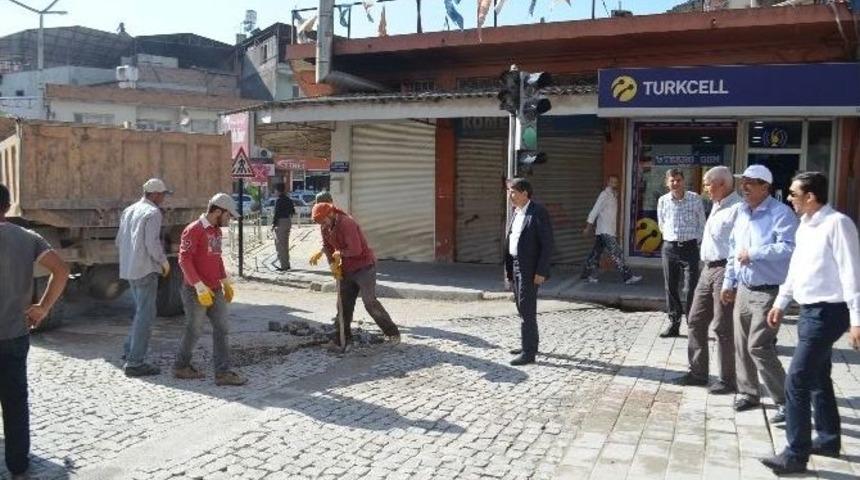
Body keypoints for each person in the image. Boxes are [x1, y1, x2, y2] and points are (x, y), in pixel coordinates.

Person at [760, 172, 860, 475]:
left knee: (797, 381)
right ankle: (828, 440)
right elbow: (796, 268)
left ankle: (795, 454)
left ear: (811, 197)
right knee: (818, 377)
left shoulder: (837, 224)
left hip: (829, 312)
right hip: (808, 311)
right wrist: (780, 302)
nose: (789, 198)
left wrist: (857, 320)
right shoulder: (805, 225)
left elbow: (851, 272)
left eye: (794, 193)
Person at [0, 183, 69, 478]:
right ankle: (18, 463)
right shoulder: (28, 238)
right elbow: (62, 271)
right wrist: (42, 307)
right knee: (15, 400)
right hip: (14, 334)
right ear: (7, 206)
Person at [721, 164, 797, 422]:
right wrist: (728, 283)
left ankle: (785, 401)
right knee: (741, 344)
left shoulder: (781, 214)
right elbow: (733, 250)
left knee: (759, 346)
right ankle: (748, 393)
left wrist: (754, 253)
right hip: (743, 287)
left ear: (766, 187)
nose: (745, 186)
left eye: (751, 182)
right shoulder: (741, 212)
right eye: (743, 181)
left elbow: (789, 247)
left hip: (769, 291)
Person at [677, 166, 740, 393]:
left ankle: (727, 380)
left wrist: (731, 280)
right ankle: (698, 372)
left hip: (725, 269)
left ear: (722, 184)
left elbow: (738, 246)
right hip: (708, 268)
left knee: (723, 327)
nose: (705, 188)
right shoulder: (716, 204)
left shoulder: (737, 209)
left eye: (707, 183)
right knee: (695, 319)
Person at [173, 193, 247, 386]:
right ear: (217, 211)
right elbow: (184, 259)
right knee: (194, 330)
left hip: (215, 289)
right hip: (195, 291)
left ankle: (223, 373)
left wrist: (226, 281)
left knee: (222, 329)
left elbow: (217, 258)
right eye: (228, 215)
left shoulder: (216, 232)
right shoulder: (194, 230)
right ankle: (181, 366)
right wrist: (198, 286)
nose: (229, 219)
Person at [311, 202, 400, 350]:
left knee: (369, 301)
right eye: (319, 222)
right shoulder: (325, 227)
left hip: (364, 267)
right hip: (345, 269)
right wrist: (332, 265)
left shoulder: (347, 223)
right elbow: (327, 247)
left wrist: (340, 253)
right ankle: (342, 339)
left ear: (331, 214)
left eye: (323, 220)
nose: (322, 225)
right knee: (343, 305)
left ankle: (392, 333)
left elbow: (356, 250)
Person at [116, 178, 172, 377]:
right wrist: (163, 261)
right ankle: (135, 362)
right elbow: (152, 243)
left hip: (130, 269)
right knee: (146, 317)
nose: (164, 198)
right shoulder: (153, 213)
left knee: (140, 313)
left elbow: (119, 241)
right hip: (146, 270)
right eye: (163, 194)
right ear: (155, 194)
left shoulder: (129, 210)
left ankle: (129, 351)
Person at [504, 178, 554, 366]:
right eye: (509, 191)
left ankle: (529, 352)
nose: (510, 196)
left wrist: (541, 271)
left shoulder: (538, 212)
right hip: (515, 266)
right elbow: (511, 239)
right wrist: (508, 270)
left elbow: (547, 244)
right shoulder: (516, 212)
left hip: (530, 269)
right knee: (520, 307)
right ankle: (528, 343)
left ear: (525, 193)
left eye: (513, 192)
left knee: (527, 309)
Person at [657, 168, 706, 338]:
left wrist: (697, 242)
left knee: (690, 287)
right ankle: (674, 323)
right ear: (667, 183)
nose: (675, 183)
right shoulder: (663, 201)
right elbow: (661, 223)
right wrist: (671, 238)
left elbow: (702, 223)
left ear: (684, 181)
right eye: (672, 180)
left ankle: (692, 325)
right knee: (670, 287)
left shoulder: (695, 199)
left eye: (678, 180)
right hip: (670, 248)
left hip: (690, 248)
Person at [580, 175, 642, 285]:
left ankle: (586, 275)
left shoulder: (614, 195)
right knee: (617, 253)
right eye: (612, 182)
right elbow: (595, 211)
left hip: (606, 231)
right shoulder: (604, 195)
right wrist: (588, 227)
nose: (614, 184)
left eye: (616, 182)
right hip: (605, 231)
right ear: (608, 183)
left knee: (595, 254)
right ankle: (628, 277)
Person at [271, 184, 295, 271]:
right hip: (288, 221)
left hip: (280, 222)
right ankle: (286, 264)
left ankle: (284, 266)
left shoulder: (279, 200)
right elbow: (293, 211)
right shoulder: (288, 199)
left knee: (280, 245)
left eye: (275, 191)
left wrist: (273, 224)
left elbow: (276, 214)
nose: (274, 192)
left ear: (278, 191)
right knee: (285, 244)